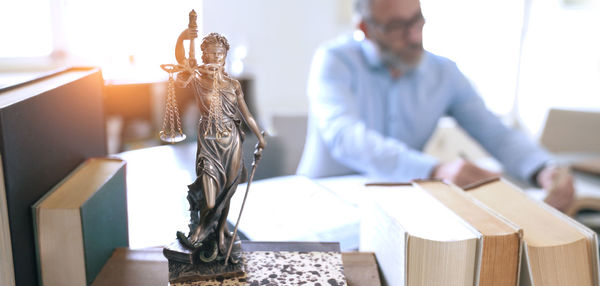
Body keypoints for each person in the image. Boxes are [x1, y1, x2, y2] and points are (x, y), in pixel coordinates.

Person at [297, 0, 574, 211]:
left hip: (398, 209)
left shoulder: (445, 73)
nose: (414, 37)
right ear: (365, 29)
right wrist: (435, 170)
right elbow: (345, 136)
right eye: (396, 27)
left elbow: (494, 132)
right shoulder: (335, 60)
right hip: (321, 204)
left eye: (417, 21)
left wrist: (541, 167)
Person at [181, 33, 266, 256]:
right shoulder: (199, 80)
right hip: (209, 142)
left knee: (227, 190)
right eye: (211, 54)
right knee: (210, 199)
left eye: (220, 54)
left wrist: (260, 136)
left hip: (232, 142)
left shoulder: (233, 84)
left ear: (225, 56)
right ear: (204, 56)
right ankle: (201, 230)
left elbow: (247, 116)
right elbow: (182, 62)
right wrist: (184, 36)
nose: (216, 58)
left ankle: (219, 232)